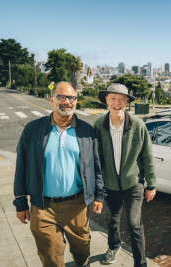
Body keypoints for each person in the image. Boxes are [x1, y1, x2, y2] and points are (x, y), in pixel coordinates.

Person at [13, 81, 106, 267]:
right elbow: (22, 165)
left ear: (76, 101)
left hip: (77, 206)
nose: (67, 102)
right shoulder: (33, 130)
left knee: (82, 254)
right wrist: (20, 201)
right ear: (52, 100)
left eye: (71, 98)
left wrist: (100, 195)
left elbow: (96, 166)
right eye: (61, 97)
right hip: (43, 207)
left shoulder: (87, 131)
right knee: (51, 259)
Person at [93, 83, 156, 266]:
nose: (117, 103)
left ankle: (140, 263)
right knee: (111, 220)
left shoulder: (138, 125)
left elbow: (147, 156)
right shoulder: (99, 125)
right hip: (109, 185)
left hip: (133, 184)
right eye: (113, 98)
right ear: (106, 100)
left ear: (127, 101)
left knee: (133, 224)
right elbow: (95, 159)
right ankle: (113, 246)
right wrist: (97, 188)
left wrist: (151, 184)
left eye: (121, 99)